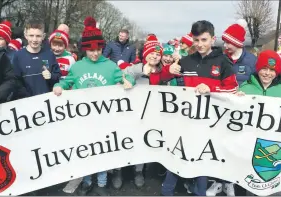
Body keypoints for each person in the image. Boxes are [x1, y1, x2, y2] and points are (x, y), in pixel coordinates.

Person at [150, 20, 238, 196]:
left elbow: (233, 90)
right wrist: (168, 71)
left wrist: (211, 89)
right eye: (196, 40)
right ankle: (166, 192)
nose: (200, 44)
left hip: (210, 125)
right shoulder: (186, 61)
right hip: (184, 123)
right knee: (176, 162)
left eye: (204, 40)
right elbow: (155, 82)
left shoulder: (223, 62)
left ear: (213, 39)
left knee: (202, 168)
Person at [52, 16, 135, 196]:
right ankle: (87, 181)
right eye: (91, 51)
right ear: (85, 50)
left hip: (104, 118)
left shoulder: (110, 65)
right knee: (86, 150)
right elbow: (68, 81)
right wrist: (59, 86)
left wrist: (128, 80)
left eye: (98, 50)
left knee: (102, 150)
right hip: (83, 118)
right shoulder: (78, 66)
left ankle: (102, 183)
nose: (95, 54)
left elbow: (125, 77)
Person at [12, 19, 61, 98]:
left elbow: (58, 76)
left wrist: (51, 76)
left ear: (43, 36)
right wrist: (26, 96)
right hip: (26, 102)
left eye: (38, 36)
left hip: (46, 101)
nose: (34, 39)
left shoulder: (49, 55)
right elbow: (14, 81)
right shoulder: (18, 56)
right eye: (31, 35)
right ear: (26, 35)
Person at [222, 19, 257, 86]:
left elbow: (256, 84)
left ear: (237, 43)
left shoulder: (252, 60)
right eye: (224, 42)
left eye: (228, 42)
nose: (224, 45)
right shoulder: (221, 59)